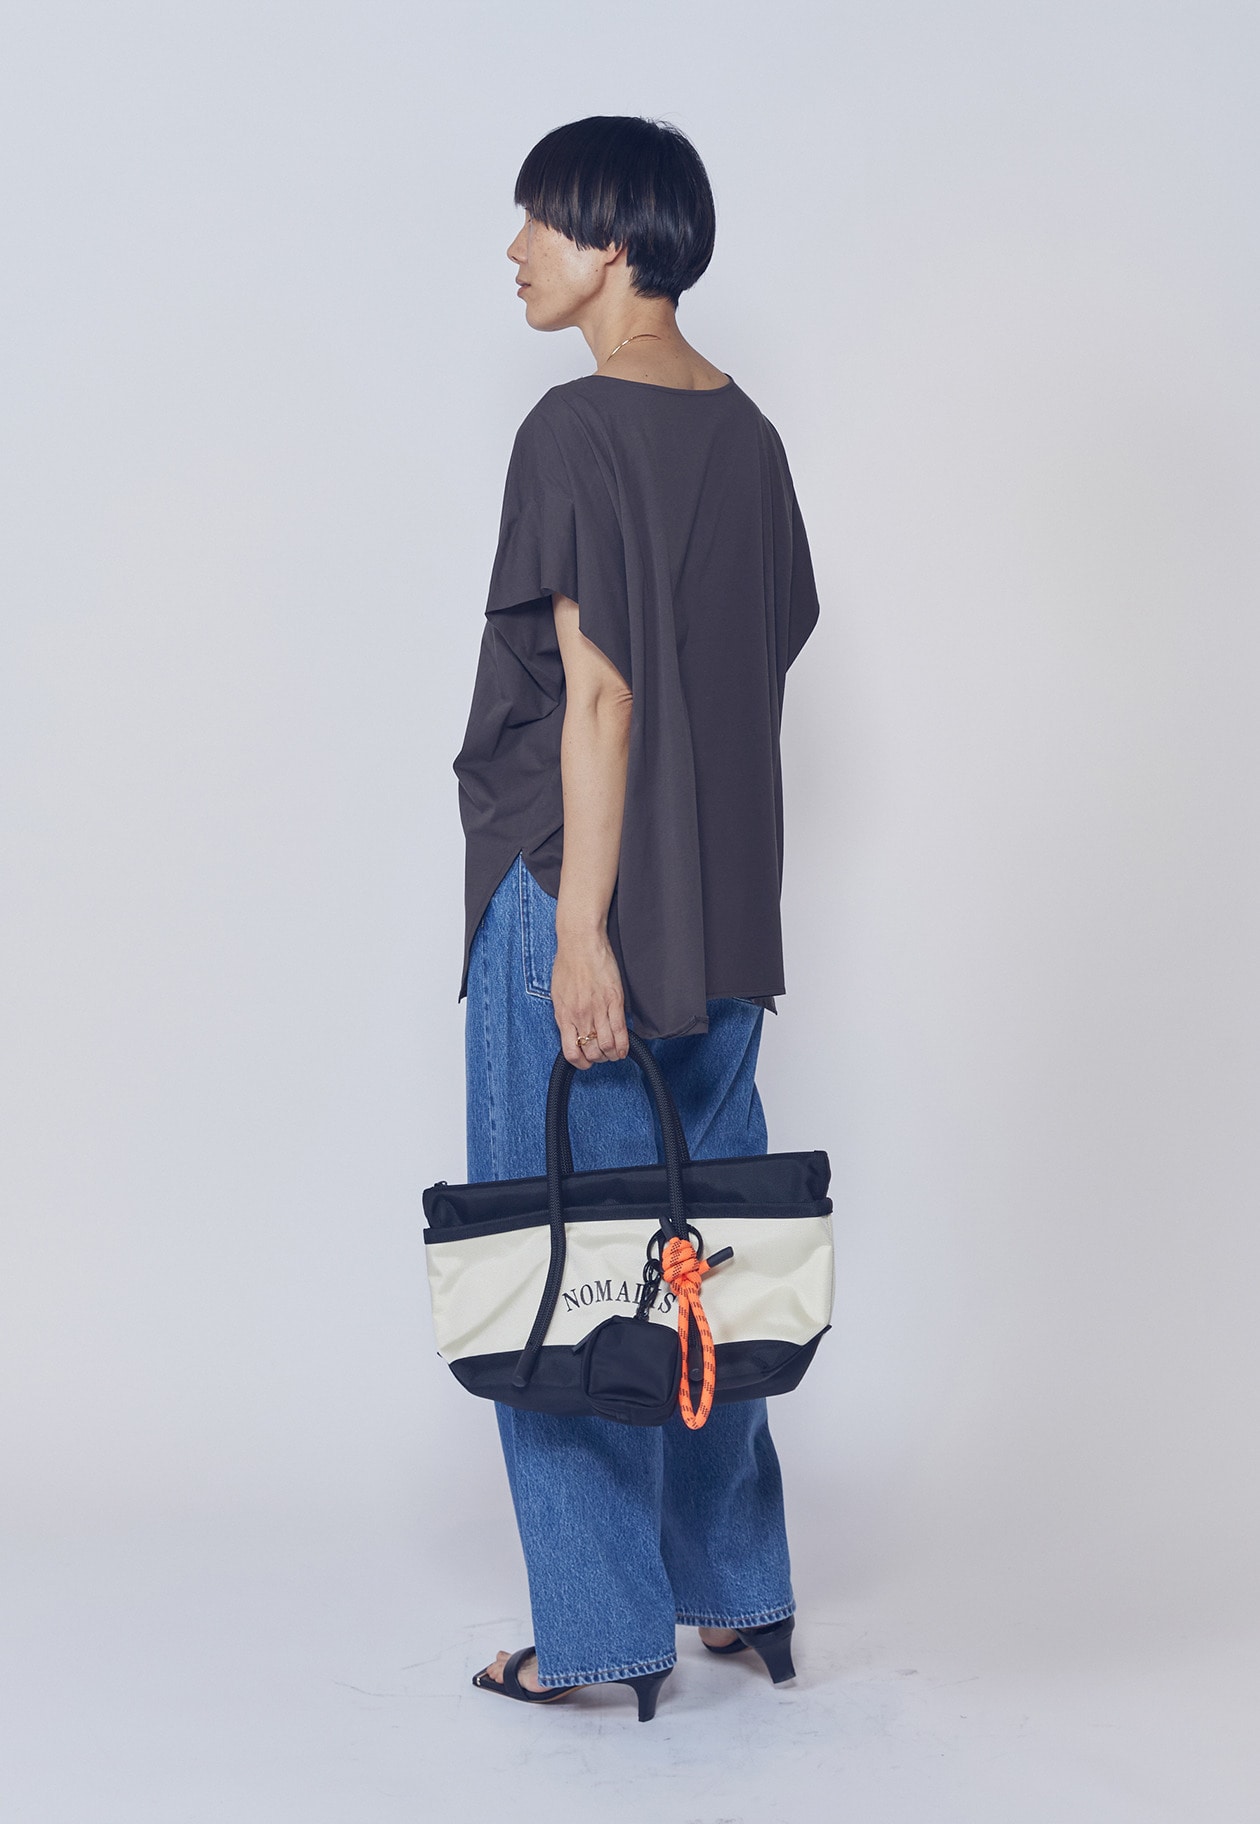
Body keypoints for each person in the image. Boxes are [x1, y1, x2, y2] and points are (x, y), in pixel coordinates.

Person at [453, 115, 821, 1720]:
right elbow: (765, 648)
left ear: (614, 244)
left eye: (541, 221)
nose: (516, 248)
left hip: (576, 894)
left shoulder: (573, 427)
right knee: (698, 1252)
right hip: (726, 914)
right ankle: (742, 1594)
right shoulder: (750, 437)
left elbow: (597, 695)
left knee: (562, 1259)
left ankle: (600, 1631)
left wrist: (586, 927)